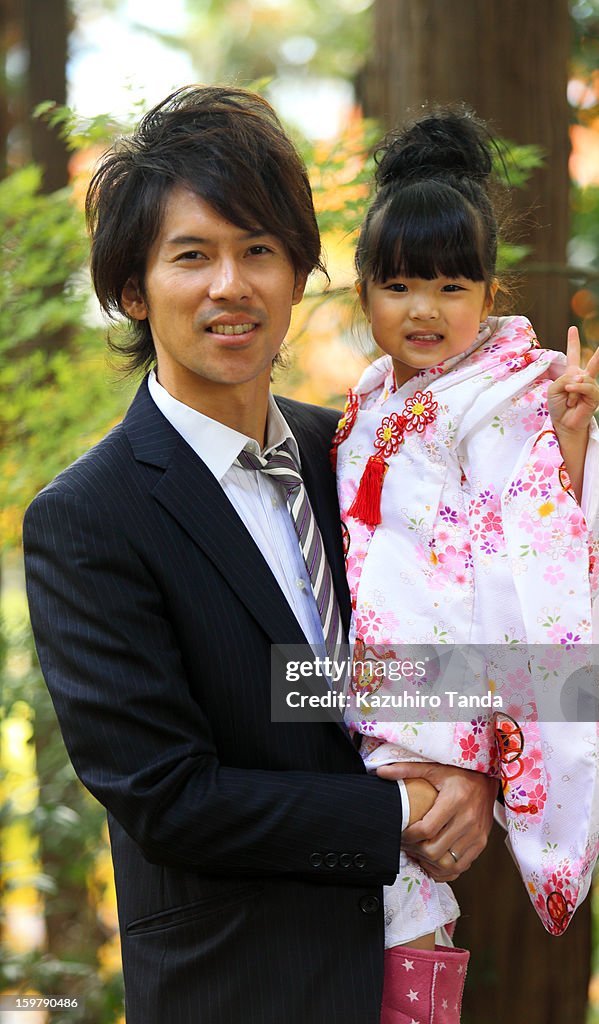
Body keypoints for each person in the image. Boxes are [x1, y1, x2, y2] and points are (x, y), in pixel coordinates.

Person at [22, 86, 498, 1024]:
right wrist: (402, 815)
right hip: (238, 990)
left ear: (299, 274)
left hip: (412, 968)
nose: (229, 286)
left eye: (259, 253)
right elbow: (169, 794)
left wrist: (471, 772)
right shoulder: (89, 518)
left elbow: (442, 652)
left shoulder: (364, 454)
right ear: (131, 288)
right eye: (190, 256)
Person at [333, 107, 599, 1024]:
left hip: (442, 687)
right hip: (368, 681)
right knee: (395, 889)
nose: (425, 309)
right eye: (400, 284)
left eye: (452, 285)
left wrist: (567, 442)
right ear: (364, 293)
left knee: (406, 881)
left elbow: (546, 539)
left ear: (489, 293)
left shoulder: (509, 391)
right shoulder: (368, 400)